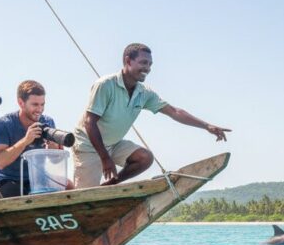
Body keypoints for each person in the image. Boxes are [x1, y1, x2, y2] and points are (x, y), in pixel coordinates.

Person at [71, 43, 231, 188]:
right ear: (128, 61)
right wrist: (105, 158)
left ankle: (109, 186)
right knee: (83, 196)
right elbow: (89, 122)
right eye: (143, 63)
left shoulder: (144, 93)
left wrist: (207, 126)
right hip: (88, 146)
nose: (147, 68)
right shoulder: (105, 85)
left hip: (113, 144)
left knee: (145, 158)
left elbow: (175, 112)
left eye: (150, 64)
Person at [0, 80, 69, 197]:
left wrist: (54, 149)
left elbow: (56, 161)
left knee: (69, 187)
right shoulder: (5, 123)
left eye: (42, 104)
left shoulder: (48, 122)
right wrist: (26, 140)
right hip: (10, 179)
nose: (39, 109)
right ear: (21, 103)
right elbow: (0, 162)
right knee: (18, 199)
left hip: (39, 178)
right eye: (35, 105)